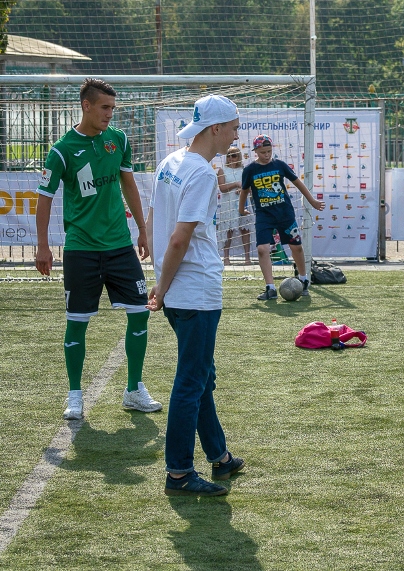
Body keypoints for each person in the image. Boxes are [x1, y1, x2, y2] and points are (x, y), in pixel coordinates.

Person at [35, 77, 161, 420]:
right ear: (86, 105)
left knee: (140, 314)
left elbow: (128, 184)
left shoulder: (118, 140)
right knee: (77, 322)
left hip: (120, 247)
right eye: (104, 107)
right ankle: (75, 395)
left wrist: (142, 230)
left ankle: (133, 389)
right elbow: (44, 199)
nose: (109, 114)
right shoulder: (62, 150)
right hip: (81, 250)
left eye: (113, 108)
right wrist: (43, 245)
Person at [147, 94, 245, 496]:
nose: (236, 136)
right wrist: (163, 287)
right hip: (195, 292)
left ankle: (220, 457)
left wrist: (161, 281)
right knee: (191, 381)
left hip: (179, 291)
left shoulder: (171, 162)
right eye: (234, 128)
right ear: (215, 128)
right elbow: (179, 238)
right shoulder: (203, 173)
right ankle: (179, 473)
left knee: (202, 375)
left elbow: (153, 220)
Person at [239, 135, 324, 300]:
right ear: (255, 151)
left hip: (285, 213)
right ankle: (270, 288)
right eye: (263, 152)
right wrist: (241, 209)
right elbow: (244, 191)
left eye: (269, 151)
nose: (266, 155)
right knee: (262, 249)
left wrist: (312, 201)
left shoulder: (280, 165)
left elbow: (298, 182)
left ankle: (303, 279)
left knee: (296, 247)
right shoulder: (250, 170)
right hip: (264, 215)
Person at [216, 146, 252, 265]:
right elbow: (222, 188)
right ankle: (226, 258)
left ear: (239, 157)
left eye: (234, 155)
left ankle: (247, 258)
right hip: (228, 204)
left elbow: (250, 187)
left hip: (243, 202)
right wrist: (235, 184)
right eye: (229, 156)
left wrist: (242, 190)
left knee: (245, 230)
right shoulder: (222, 170)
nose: (231, 158)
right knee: (228, 230)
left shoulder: (244, 170)